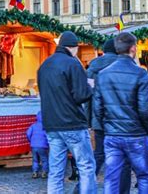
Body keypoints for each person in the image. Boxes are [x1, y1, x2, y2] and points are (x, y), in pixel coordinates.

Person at [94, 32, 148, 194]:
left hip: (113, 133)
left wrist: (106, 127)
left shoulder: (103, 74)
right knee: (144, 176)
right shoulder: (141, 73)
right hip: (136, 134)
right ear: (133, 48)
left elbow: (97, 107)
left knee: (112, 177)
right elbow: (145, 109)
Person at [38, 31, 96, 194]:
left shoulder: (44, 65)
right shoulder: (73, 63)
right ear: (74, 47)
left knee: (56, 170)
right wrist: (90, 87)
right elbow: (81, 95)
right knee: (86, 166)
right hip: (72, 123)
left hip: (51, 124)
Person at [87, 38, 132, 192]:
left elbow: (88, 95)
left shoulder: (93, 66)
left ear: (104, 51)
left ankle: (81, 188)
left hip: (99, 119)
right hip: (121, 120)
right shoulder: (125, 66)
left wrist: (90, 120)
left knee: (98, 155)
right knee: (124, 159)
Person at [26, 111, 49, 179]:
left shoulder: (33, 125)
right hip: (42, 146)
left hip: (33, 146)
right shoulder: (45, 127)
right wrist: (47, 143)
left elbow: (27, 133)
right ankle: (44, 173)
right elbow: (48, 136)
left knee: (35, 160)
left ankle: (35, 173)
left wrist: (31, 140)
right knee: (44, 160)